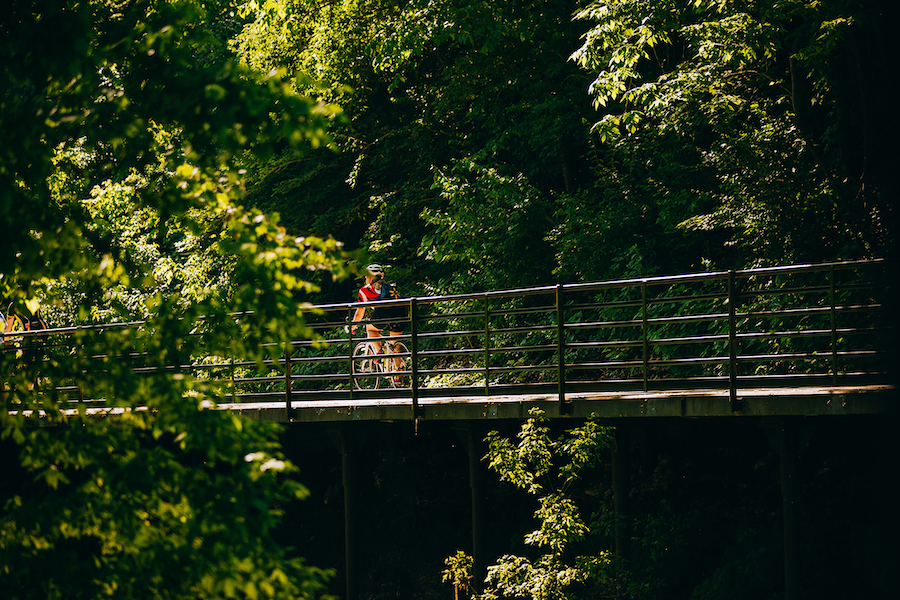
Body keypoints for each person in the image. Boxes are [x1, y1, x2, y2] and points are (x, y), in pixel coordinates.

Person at [351, 263, 404, 375]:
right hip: (400, 313)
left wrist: (353, 326)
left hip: (383, 313)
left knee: (369, 328)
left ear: (369, 278)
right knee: (395, 345)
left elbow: (360, 313)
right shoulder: (391, 288)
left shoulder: (365, 290)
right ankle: (399, 375)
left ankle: (379, 352)